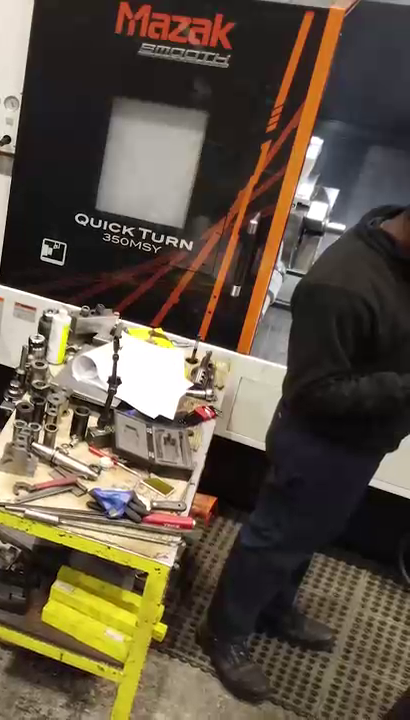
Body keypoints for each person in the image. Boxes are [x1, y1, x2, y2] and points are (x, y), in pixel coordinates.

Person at [199, 204, 410, 702]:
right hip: (320, 444)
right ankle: (223, 631)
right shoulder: (341, 285)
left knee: (309, 533)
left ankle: (274, 609)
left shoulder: (396, 261)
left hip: (363, 441)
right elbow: (314, 392)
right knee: (273, 538)